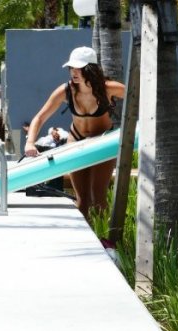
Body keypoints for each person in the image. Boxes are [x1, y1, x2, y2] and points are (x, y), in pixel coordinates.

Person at [24, 46, 125, 220]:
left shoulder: (108, 88)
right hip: (76, 141)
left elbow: (142, 94)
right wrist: (30, 142)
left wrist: (175, 102)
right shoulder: (66, 90)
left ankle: (106, 240)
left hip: (102, 142)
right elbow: (40, 117)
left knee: (98, 197)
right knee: (82, 200)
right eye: (71, 68)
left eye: (78, 68)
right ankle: (88, 240)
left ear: (90, 69)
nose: (73, 72)